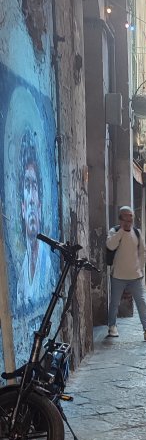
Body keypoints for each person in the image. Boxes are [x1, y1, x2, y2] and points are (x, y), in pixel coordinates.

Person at [106, 206, 146, 340]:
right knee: (114, 303)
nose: (128, 221)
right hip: (118, 275)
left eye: (130, 218)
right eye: (125, 218)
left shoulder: (137, 233)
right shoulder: (114, 231)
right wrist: (122, 230)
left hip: (135, 276)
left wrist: (140, 268)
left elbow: (142, 252)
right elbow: (110, 246)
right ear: (120, 218)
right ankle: (112, 326)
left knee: (141, 302)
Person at [16, 129, 54, 312]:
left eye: (34, 186)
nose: (31, 198)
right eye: (26, 186)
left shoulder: (47, 264)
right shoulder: (22, 280)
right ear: (23, 208)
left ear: (40, 205)